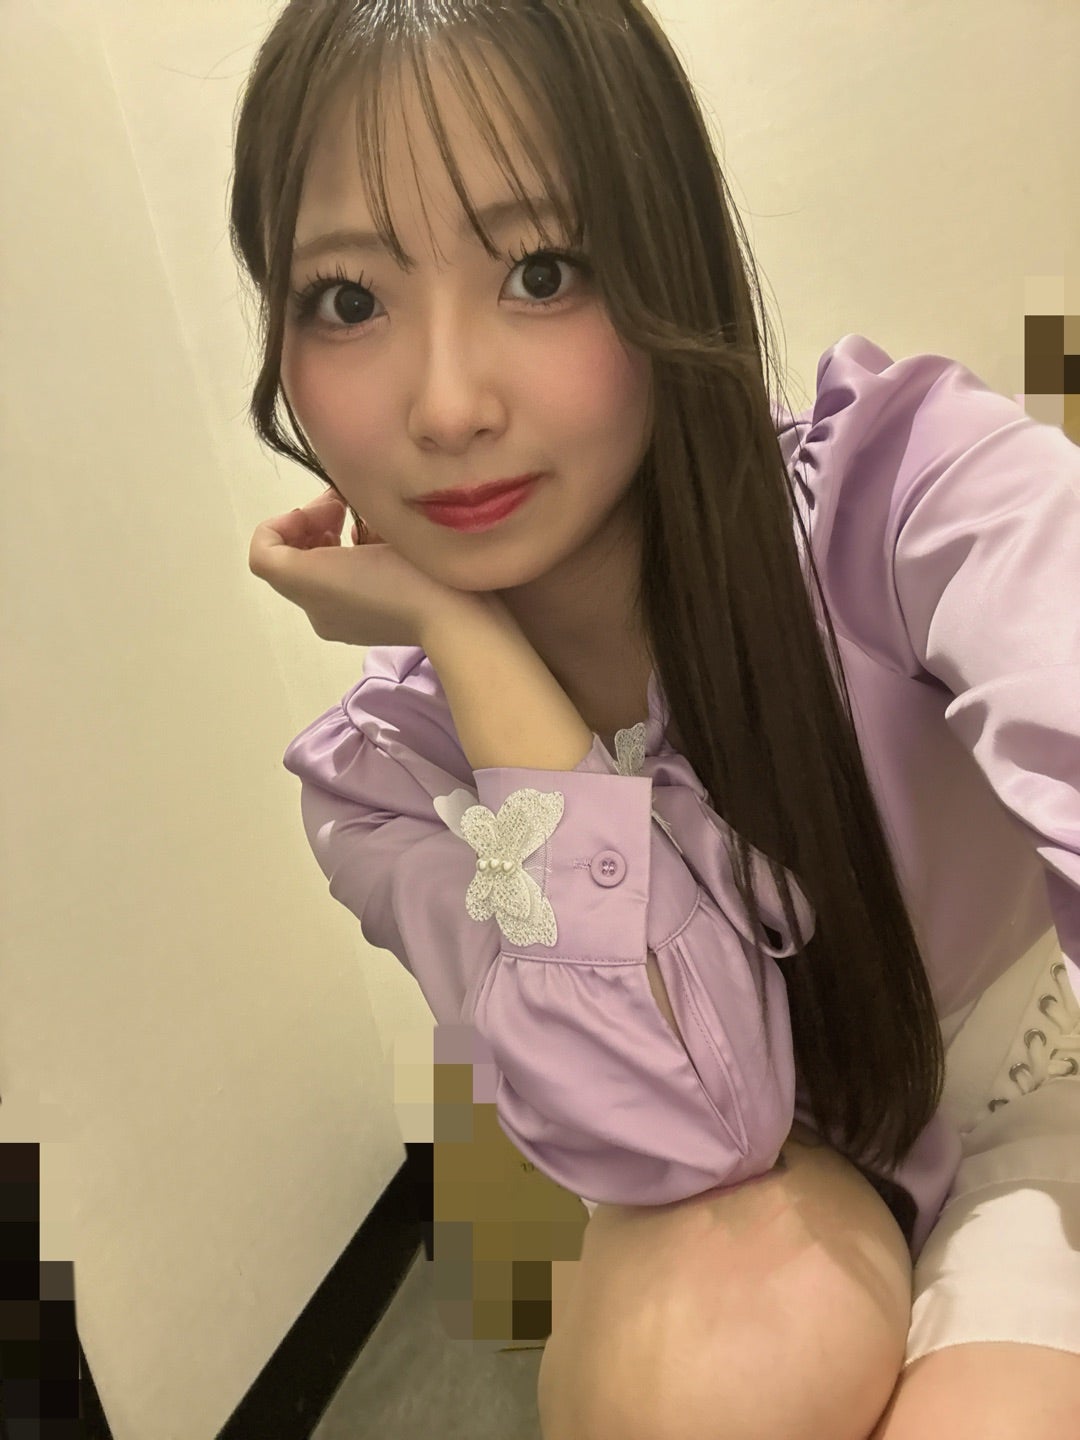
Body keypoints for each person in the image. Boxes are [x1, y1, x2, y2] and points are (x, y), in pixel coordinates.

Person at [236, 2, 1080, 1436]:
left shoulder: (897, 496)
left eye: (541, 270)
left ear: (665, 257)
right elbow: (689, 1126)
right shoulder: (383, 780)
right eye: (348, 300)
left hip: (1046, 1114)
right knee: (701, 1384)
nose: (447, 404)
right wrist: (466, 639)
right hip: (772, 1188)